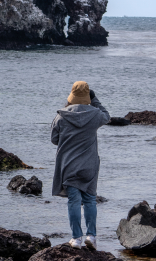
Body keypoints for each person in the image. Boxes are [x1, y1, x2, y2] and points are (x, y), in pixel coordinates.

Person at [51, 81, 110, 250]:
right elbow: (107, 116)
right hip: (89, 165)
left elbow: (54, 139)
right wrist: (95, 99)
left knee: (74, 202)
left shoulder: (61, 116)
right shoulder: (95, 115)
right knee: (90, 200)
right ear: (87, 97)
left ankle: (76, 238)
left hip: (68, 165)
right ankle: (91, 236)